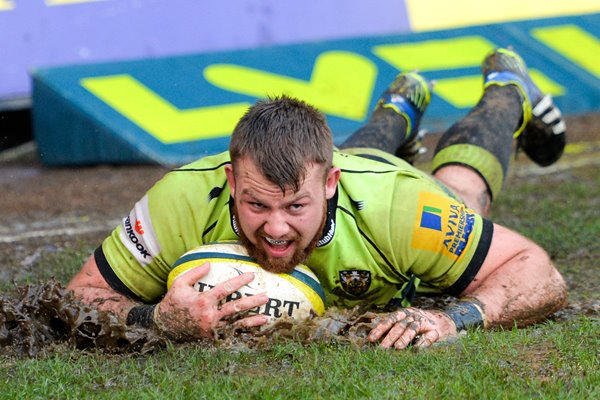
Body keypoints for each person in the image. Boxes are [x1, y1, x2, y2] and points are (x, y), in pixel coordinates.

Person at [67, 48, 568, 349]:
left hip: (375, 188)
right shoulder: (182, 201)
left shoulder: (397, 206)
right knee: (344, 172)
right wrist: (153, 319)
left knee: (463, 193)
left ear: (329, 185)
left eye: (295, 207)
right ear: (232, 181)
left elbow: (537, 271)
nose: (277, 229)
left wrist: (449, 318)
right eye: (256, 205)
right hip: (342, 181)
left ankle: (506, 90)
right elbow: (77, 297)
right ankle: (396, 113)